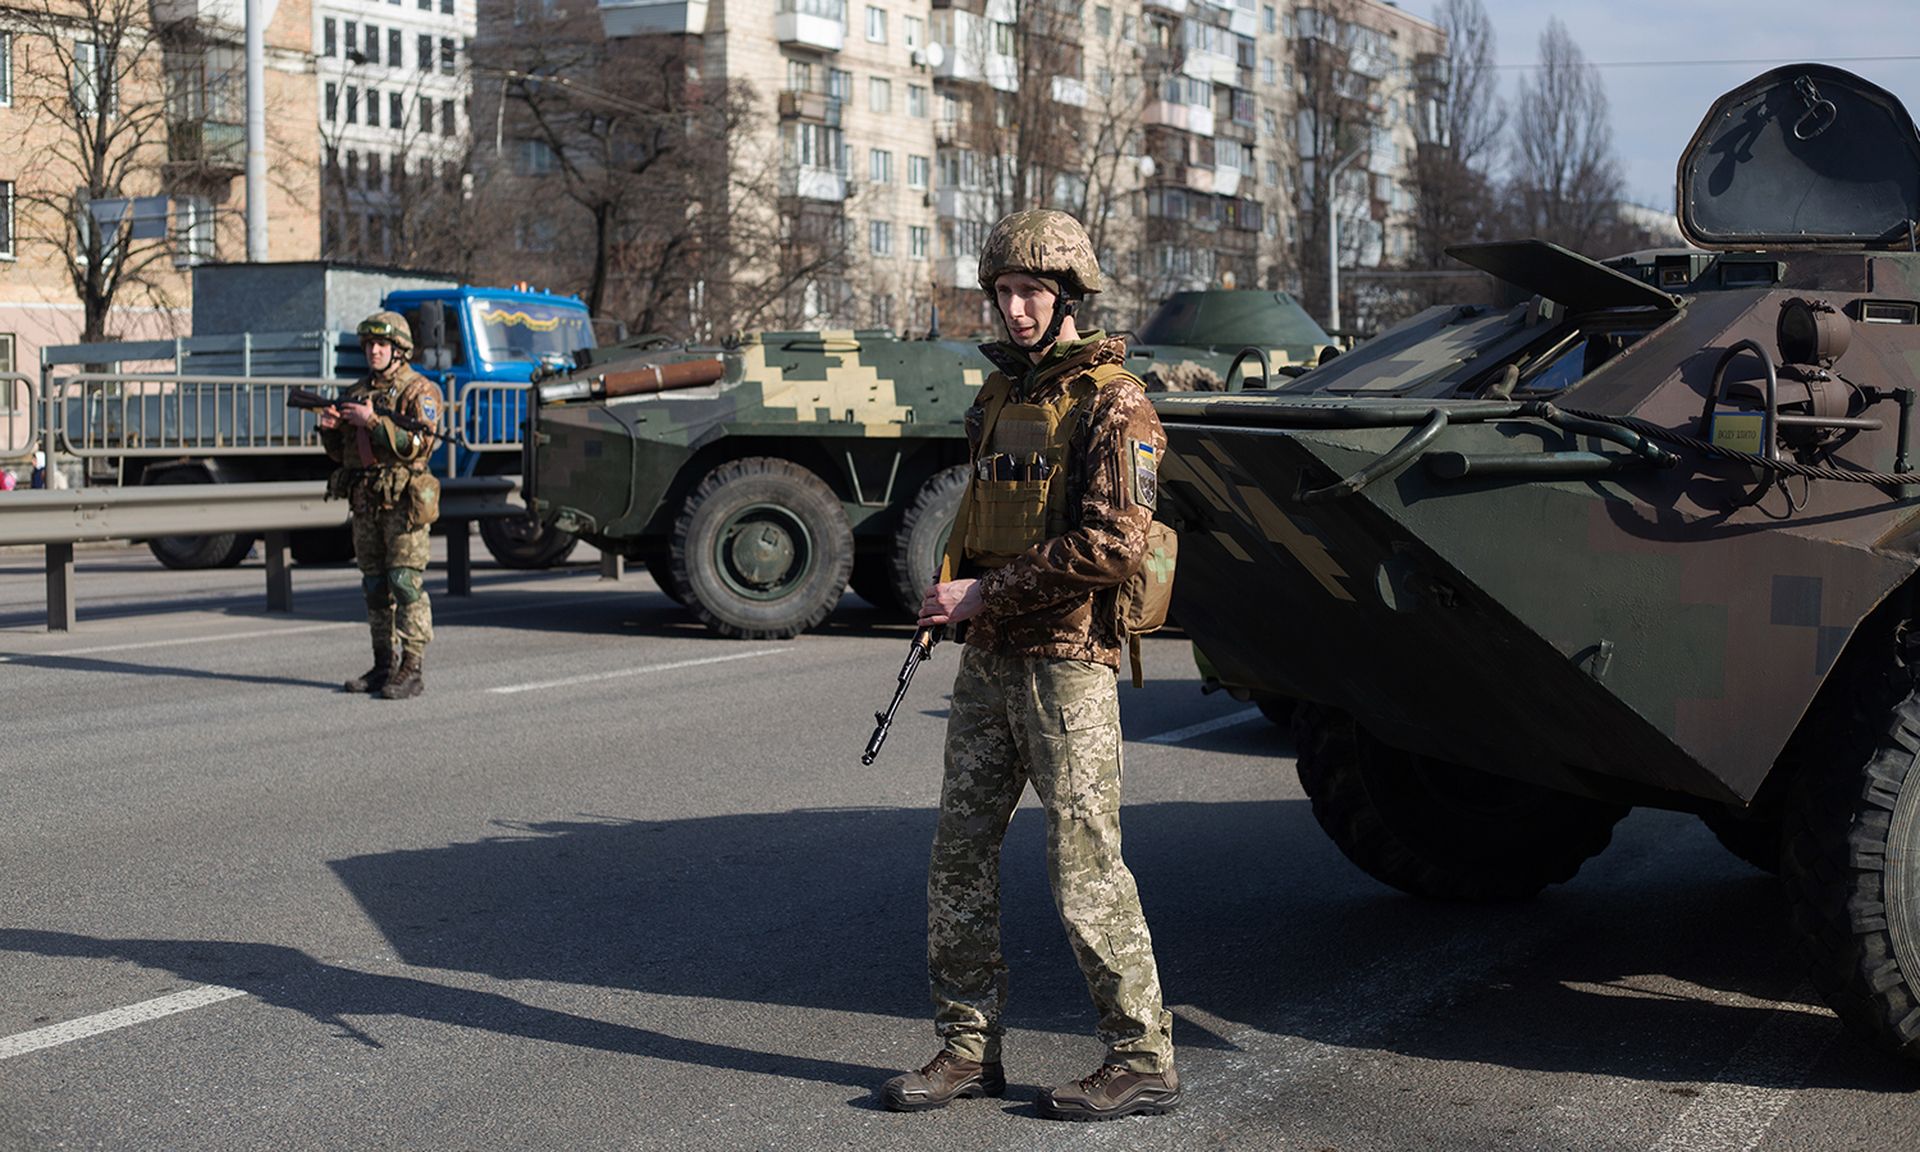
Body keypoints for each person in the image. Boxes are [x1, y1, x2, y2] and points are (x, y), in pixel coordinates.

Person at [881, 210, 1179, 1121]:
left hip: (1067, 665)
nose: (1014, 309)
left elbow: (1115, 544)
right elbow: (979, 517)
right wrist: (951, 597)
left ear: (1068, 299)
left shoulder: (1114, 401)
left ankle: (1141, 1055)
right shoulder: (1000, 399)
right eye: (1004, 291)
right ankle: (968, 1049)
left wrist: (981, 596)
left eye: (1032, 293)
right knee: (959, 855)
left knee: (1085, 863)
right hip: (993, 659)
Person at [317, 311, 444, 700]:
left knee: (404, 582)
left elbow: (417, 445)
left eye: (382, 345)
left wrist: (373, 422)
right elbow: (344, 456)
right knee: (374, 586)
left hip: (403, 502)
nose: (374, 351)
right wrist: (329, 431)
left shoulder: (418, 391)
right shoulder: (358, 393)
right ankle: (383, 663)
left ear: (399, 350)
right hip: (367, 500)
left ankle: (412, 667)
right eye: (370, 345)